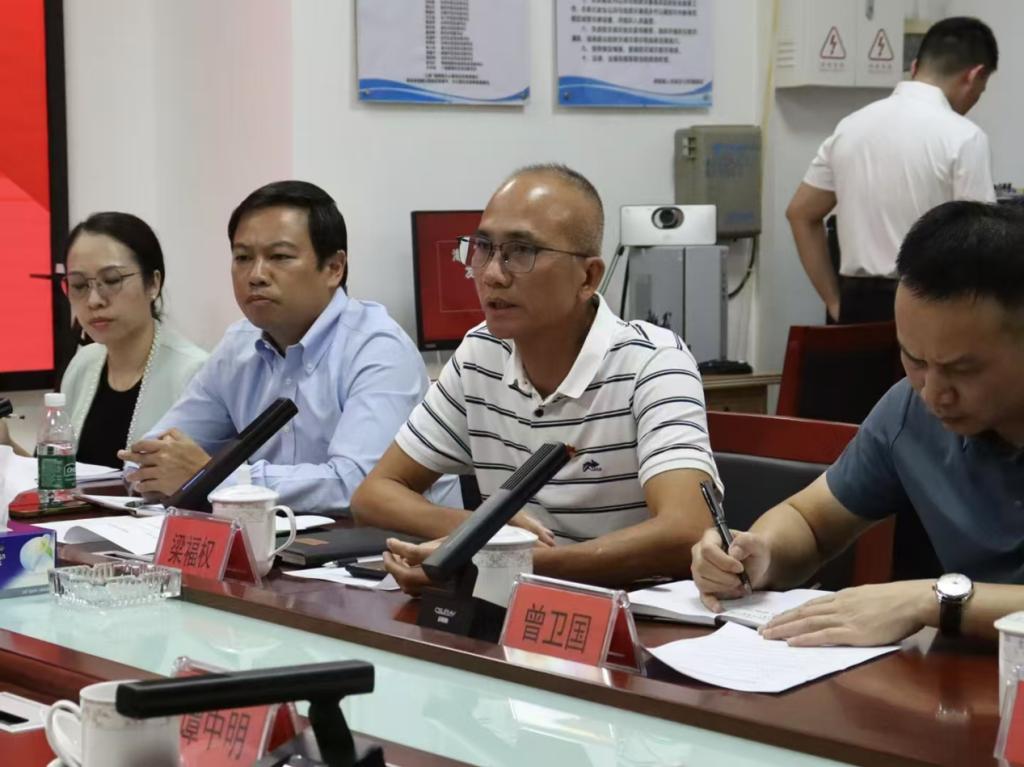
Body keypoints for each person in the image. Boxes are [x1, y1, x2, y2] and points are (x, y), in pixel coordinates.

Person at [351, 164, 721, 593]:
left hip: (628, 614)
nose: (492, 274)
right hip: (507, 606)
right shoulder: (481, 353)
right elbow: (373, 495)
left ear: (588, 277)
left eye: (521, 252)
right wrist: (477, 531)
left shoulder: (653, 363)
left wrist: (508, 562)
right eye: (483, 248)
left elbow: (688, 529)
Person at [692, 201, 1024, 647]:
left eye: (962, 369)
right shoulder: (909, 412)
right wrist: (759, 553)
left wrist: (930, 601)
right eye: (914, 359)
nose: (933, 393)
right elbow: (810, 522)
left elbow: (925, 602)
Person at [118, 180, 457, 513]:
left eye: (279, 256)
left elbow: (358, 485)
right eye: (242, 257)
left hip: (391, 545)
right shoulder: (238, 345)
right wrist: (155, 468)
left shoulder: (378, 348)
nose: (256, 275)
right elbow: (148, 454)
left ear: (334, 268)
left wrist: (216, 478)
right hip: (282, 539)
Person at [787, 16, 998, 324]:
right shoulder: (964, 137)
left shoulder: (851, 126)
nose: (974, 101)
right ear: (974, 75)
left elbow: (800, 213)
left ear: (914, 67)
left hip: (856, 308)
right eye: (980, 91)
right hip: (928, 306)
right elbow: (980, 243)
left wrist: (834, 301)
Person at [0, 212, 207, 467]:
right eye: (78, 285)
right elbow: (56, 474)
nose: (94, 300)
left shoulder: (194, 374)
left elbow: (207, 479)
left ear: (153, 283)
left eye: (111, 280)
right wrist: (5, 443)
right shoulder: (83, 365)